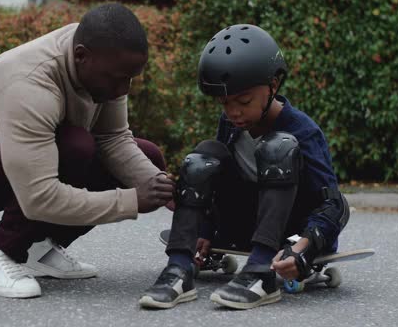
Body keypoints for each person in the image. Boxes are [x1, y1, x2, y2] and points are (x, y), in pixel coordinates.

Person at [0, 3, 175, 299]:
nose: (123, 90)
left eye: (130, 78)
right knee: (75, 146)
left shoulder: (105, 59)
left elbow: (113, 139)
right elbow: (38, 197)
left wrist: (158, 186)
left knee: (147, 157)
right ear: (81, 56)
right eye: (117, 79)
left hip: (31, 157)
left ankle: (41, 248)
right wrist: (132, 200)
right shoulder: (30, 84)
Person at [139, 24, 350, 310]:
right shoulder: (231, 123)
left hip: (292, 233)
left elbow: (334, 205)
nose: (234, 112)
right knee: (203, 157)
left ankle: (261, 272)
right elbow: (218, 181)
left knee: (278, 147)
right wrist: (205, 229)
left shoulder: (303, 131)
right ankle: (178, 269)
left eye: (244, 101)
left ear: (273, 86)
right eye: (225, 103)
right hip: (246, 225)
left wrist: (304, 246)